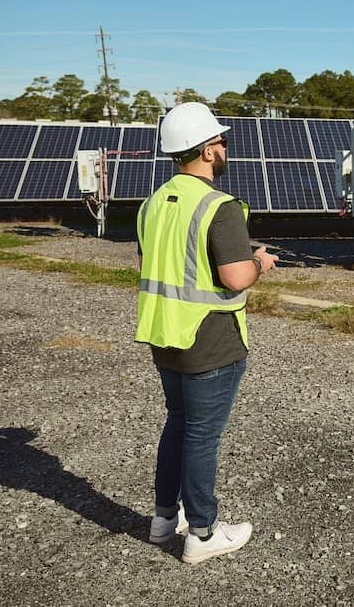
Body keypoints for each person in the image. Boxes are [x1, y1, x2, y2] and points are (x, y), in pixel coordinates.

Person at [135, 102, 279, 564]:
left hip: (164, 335)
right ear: (206, 151)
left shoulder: (153, 203)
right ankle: (202, 532)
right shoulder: (220, 206)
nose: (224, 146)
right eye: (220, 140)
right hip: (210, 339)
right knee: (201, 436)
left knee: (178, 425)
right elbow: (235, 277)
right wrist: (261, 262)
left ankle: (163, 519)